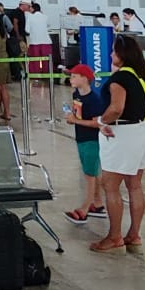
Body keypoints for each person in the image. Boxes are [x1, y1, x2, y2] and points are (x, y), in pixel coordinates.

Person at [90, 36, 145, 254]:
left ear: (121, 54)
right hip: (141, 132)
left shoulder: (120, 79)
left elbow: (117, 108)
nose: (110, 55)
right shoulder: (140, 76)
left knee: (110, 185)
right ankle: (134, 234)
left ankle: (114, 236)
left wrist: (101, 121)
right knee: (134, 185)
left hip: (122, 135)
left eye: (113, 51)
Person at [61, 63, 107, 224]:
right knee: (92, 171)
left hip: (91, 140)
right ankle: (98, 203)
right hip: (81, 137)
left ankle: (85, 208)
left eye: (74, 76)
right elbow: (78, 115)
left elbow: (97, 124)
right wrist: (73, 119)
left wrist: (76, 121)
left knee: (89, 175)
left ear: (85, 79)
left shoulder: (94, 100)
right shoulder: (76, 95)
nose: (71, 78)